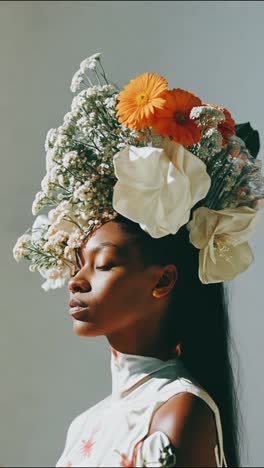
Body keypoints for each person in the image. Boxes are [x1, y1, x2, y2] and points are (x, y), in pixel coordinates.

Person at [13, 53, 264, 467]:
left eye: (105, 263)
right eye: (78, 263)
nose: (77, 281)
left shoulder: (179, 411)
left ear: (164, 280)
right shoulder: (84, 427)